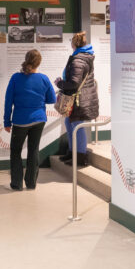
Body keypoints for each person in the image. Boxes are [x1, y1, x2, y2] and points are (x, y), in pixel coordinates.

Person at [3, 49, 56, 190]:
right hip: (39, 120)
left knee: (15, 151)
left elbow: (8, 101)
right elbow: (52, 99)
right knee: (33, 150)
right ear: (39, 63)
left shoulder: (15, 78)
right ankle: (31, 183)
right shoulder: (44, 78)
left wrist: (6, 122)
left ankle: (17, 184)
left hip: (20, 121)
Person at [55, 32, 99, 168]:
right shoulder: (83, 57)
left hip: (80, 99)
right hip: (81, 98)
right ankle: (72, 152)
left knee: (77, 127)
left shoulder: (78, 60)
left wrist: (59, 83)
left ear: (73, 44)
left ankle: (80, 156)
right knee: (70, 123)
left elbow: (74, 83)